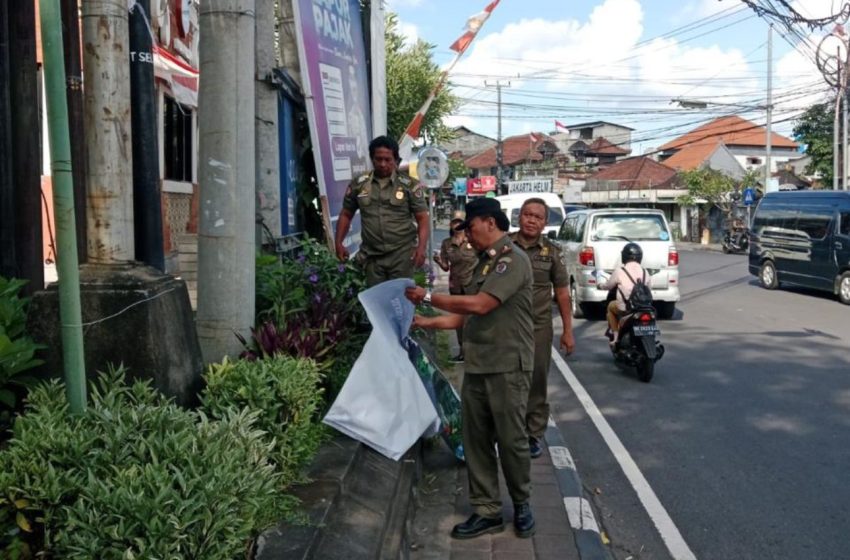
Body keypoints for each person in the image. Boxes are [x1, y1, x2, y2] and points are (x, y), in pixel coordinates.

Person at [405, 197, 536, 540]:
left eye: (472, 226)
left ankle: (522, 504)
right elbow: (465, 317)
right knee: (475, 441)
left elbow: (480, 305)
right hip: (478, 366)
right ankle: (487, 510)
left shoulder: (513, 261)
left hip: (507, 366)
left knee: (511, 441)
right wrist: (425, 322)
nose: (469, 234)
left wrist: (428, 298)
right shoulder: (484, 264)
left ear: (490, 223)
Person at [509, 198, 575, 459]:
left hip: (538, 327)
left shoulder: (552, 253)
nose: (531, 220)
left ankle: (533, 434)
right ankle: (509, 431)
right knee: (508, 380)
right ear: (519, 217)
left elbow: (562, 294)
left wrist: (568, 331)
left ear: (545, 223)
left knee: (536, 381)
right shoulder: (504, 247)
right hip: (507, 326)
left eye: (537, 217)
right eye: (527, 215)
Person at [335, 136, 430, 287]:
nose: (383, 164)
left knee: (400, 301)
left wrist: (421, 248)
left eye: (388, 159)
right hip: (373, 257)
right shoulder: (359, 184)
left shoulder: (410, 185)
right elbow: (346, 214)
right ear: (372, 159)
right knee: (376, 304)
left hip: (402, 255)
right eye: (378, 159)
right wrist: (338, 242)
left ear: (395, 159)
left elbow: (423, 218)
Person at [433, 218, 478, 362]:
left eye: (460, 225)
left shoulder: (472, 240)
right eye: (454, 226)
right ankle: (462, 351)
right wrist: (438, 261)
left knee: (474, 319)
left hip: (472, 285)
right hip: (456, 285)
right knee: (459, 320)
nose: (457, 227)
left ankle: (475, 351)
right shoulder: (447, 243)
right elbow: (446, 267)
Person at [602, 242, 646, 346]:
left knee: (610, 307)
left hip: (626, 308)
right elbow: (648, 288)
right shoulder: (645, 272)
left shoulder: (620, 271)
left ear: (624, 256)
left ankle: (616, 337)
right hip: (643, 307)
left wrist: (600, 285)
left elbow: (608, 286)